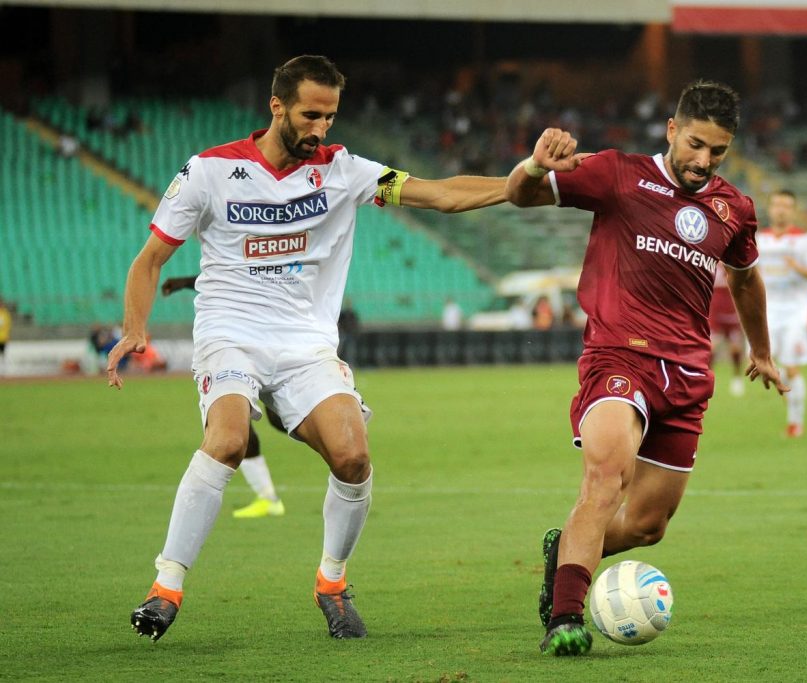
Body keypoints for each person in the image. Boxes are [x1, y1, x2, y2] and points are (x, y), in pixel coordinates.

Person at [107, 55, 572, 643]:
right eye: (309, 115)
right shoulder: (208, 172)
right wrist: (134, 327)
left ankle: (331, 583)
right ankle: (166, 586)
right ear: (276, 107)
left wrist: (527, 171)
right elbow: (150, 258)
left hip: (306, 346)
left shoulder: (345, 171)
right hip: (232, 337)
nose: (320, 129)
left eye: (329, 116)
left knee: (353, 458)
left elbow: (442, 194)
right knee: (226, 440)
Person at [506, 80, 788, 656]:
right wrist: (534, 165)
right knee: (606, 477)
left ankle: (565, 552)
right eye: (695, 144)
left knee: (645, 527)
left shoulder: (733, 207)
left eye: (717, 152)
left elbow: (744, 278)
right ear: (671, 129)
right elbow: (521, 195)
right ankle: (564, 618)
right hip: (618, 355)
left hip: (686, 376)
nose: (703, 161)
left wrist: (760, 350)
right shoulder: (618, 174)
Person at [161, 275, 286, 519]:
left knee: (280, 419)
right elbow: (222, 277)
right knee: (238, 423)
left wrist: (185, 282)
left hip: (271, 342)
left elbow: (236, 277)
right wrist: (186, 283)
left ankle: (338, 444)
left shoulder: (259, 257)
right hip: (237, 348)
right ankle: (267, 497)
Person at [756, 189, 807, 438]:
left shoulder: (805, 240)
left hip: (797, 311)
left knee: (793, 368)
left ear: (793, 210)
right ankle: (792, 410)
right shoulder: (759, 239)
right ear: (770, 208)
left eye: (786, 205)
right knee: (767, 364)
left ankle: (795, 422)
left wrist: (798, 268)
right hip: (768, 312)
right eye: (776, 204)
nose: (780, 209)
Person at [709, 263, 747, 396]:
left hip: (732, 311)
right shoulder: (710, 263)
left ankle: (737, 378)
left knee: (735, 348)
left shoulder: (734, 264)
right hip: (715, 313)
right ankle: (709, 380)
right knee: (711, 348)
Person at [0, 296, 11, 376]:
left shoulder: (6, 314)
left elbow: (8, 325)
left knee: (3, 354)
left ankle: (4, 370)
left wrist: (7, 335)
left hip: (3, 337)